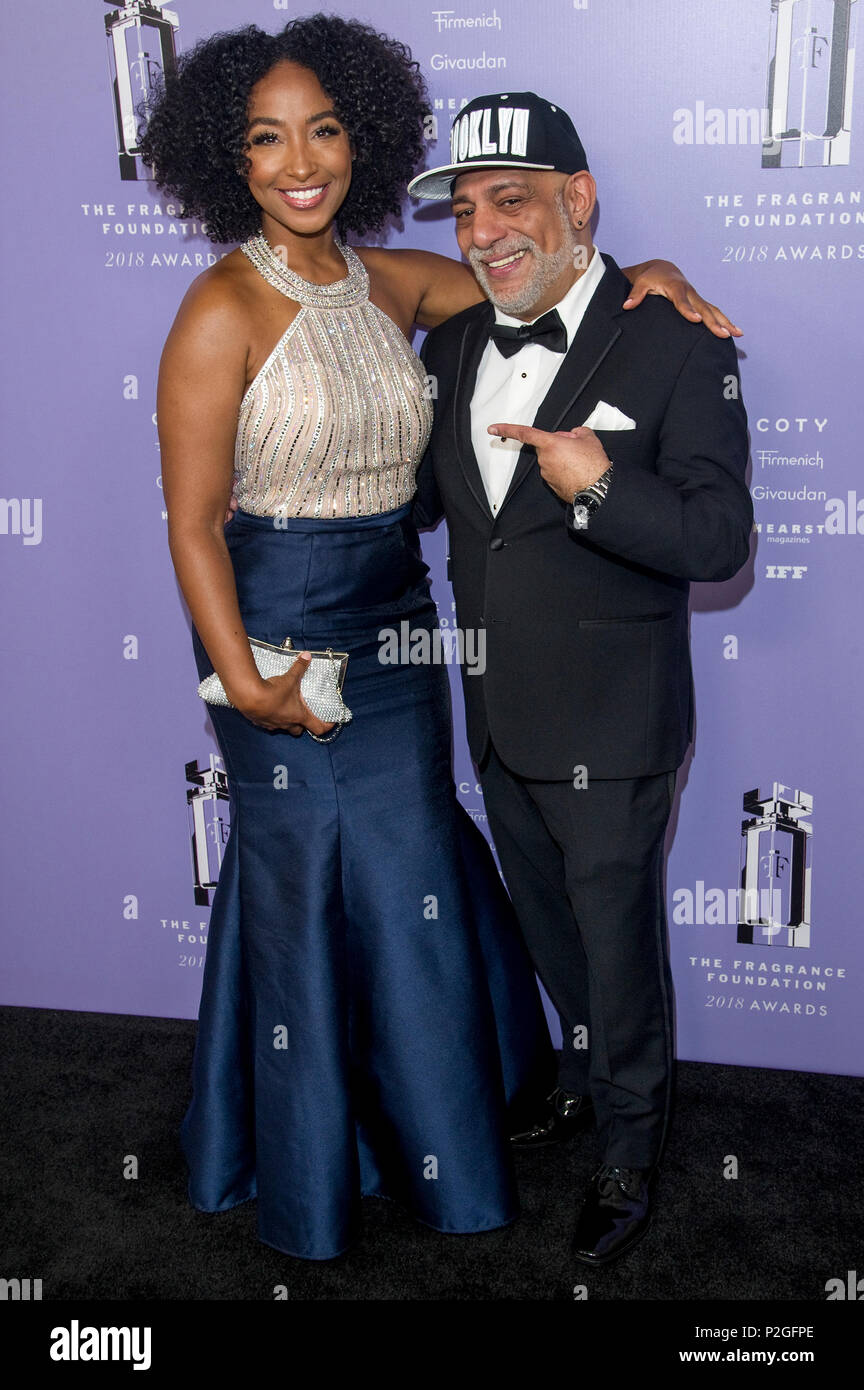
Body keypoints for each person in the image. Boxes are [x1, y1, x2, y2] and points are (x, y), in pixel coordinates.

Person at [145, 15, 742, 1261]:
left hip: (411, 645)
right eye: (265, 138)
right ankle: (318, 1156)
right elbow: (193, 524)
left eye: (323, 129)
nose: (299, 159)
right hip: (281, 640)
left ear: (358, 140)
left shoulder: (399, 283)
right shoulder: (218, 308)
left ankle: (503, 1137)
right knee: (309, 891)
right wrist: (247, 682)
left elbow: (555, 291)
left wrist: (661, 272)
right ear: (231, 161)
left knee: (429, 894)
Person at [409, 91, 753, 1265]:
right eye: (465, 210)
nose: (486, 232)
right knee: (552, 927)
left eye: (512, 201)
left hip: (617, 714)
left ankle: (629, 1143)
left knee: (617, 936)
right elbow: (435, 512)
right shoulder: (449, 344)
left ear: (577, 201)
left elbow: (718, 543)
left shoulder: (676, 339)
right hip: (498, 711)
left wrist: (599, 487)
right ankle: (577, 1072)